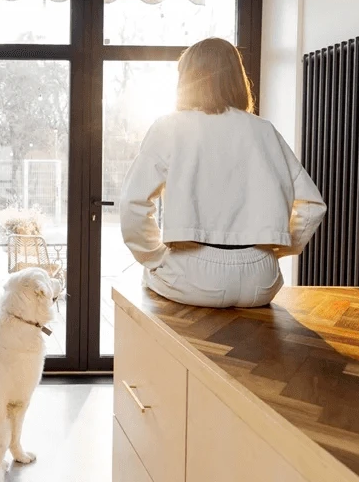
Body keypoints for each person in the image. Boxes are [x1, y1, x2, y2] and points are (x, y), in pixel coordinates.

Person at [120, 37, 326, 308]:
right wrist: (278, 249)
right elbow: (313, 206)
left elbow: (132, 203)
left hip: (193, 275)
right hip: (261, 279)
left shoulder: (169, 127)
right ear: (236, 78)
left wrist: (154, 257)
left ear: (187, 79)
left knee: (145, 279)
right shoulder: (265, 130)